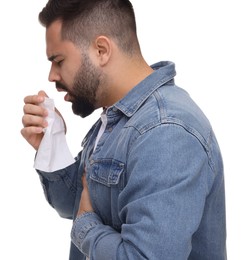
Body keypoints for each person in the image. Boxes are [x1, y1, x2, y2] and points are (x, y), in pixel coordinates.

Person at [21, 0, 227, 259]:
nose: (52, 76)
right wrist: (51, 143)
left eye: (58, 60)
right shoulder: (118, 118)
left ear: (101, 50)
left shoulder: (165, 132)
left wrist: (86, 227)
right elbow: (76, 204)